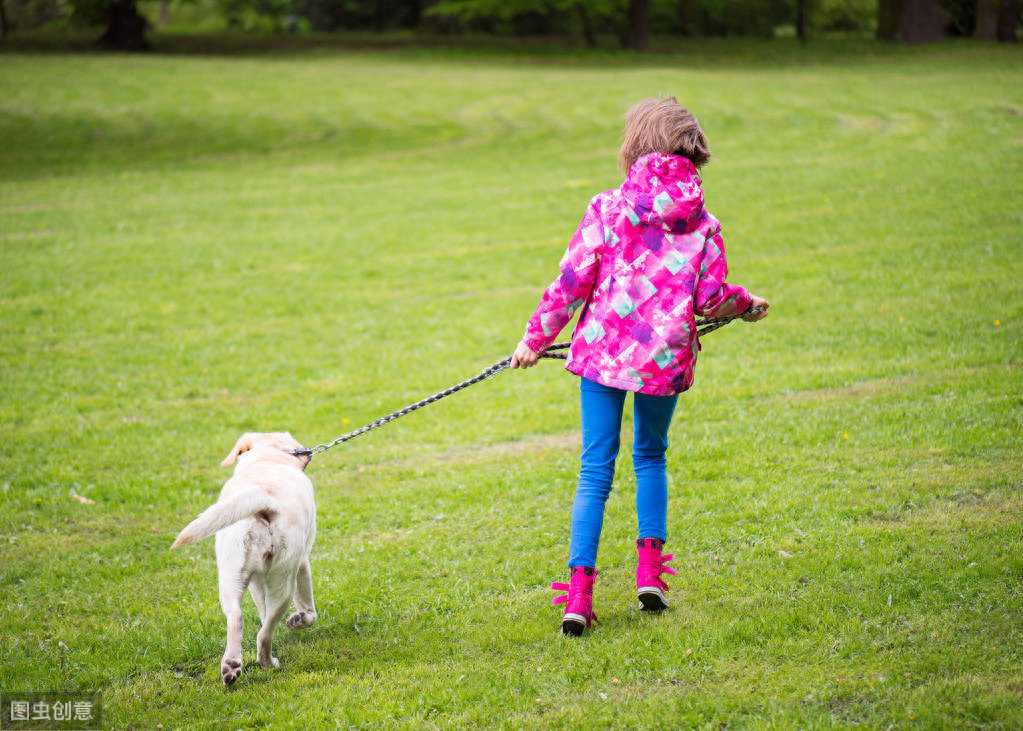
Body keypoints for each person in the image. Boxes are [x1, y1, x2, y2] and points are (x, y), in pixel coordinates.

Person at [510, 97, 769, 636]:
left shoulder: (608, 207)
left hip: (603, 358)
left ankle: (579, 596)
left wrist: (535, 339)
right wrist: (744, 305)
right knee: (650, 456)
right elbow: (711, 296)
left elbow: (571, 280)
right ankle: (649, 573)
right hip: (664, 362)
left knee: (594, 469)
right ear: (691, 152)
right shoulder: (704, 224)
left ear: (635, 145)